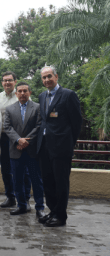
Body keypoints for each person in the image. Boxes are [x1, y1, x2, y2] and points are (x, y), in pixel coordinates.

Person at [36, 66, 82, 227]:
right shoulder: (42, 96)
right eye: (44, 78)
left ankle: (61, 216)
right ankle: (53, 211)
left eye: (49, 76)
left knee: (60, 182)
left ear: (56, 76)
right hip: (44, 147)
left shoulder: (68, 95)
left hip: (61, 148)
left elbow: (76, 123)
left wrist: (69, 143)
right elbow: (44, 121)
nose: (47, 80)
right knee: (47, 182)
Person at [3, 82, 46, 218]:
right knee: (17, 180)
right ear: (16, 94)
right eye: (20, 91)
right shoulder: (9, 109)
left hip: (32, 150)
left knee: (36, 180)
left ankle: (40, 208)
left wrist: (26, 140)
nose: (22, 93)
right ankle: (21, 205)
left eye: (25, 91)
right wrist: (18, 140)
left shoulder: (38, 107)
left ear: (30, 92)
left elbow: (39, 126)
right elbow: (7, 127)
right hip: (16, 149)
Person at [0, 71, 32, 209]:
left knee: (24, 170)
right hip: (3, 137)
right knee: (6, 169)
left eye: (10, 80)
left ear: (15, 81)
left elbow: (30, 116)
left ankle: (25, 199)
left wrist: (22, 139)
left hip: (20, 138)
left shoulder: (22, 94)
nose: (7, 82)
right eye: (5, 80)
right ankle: (10, 197)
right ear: (2, 83)